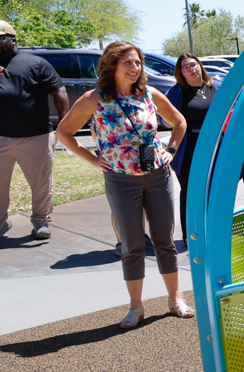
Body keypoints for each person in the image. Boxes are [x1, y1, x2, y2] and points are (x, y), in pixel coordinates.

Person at [55, 42, 192, 329]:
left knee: (165, 241)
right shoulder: (95, 99)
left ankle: (175, 299)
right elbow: (64, 132)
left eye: (138, 63)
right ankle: (136, 308)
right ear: (112, 66)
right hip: (120, 180)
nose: (134, 68)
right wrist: (92, 160)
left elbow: (179, 122)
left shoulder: (150, 95)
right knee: (132, 245)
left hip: (158, 175)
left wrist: (171, 149)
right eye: (128, 62)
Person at [0, 20, 69, 243]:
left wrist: (64, 126)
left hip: (36, 136)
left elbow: (59, 91)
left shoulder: (36, 62)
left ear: (13, 39)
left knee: (41, 182)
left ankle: (40, 221)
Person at [165, 53, 218, 241]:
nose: (191, 69)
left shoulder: (215, 87)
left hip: (215, 147)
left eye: (193, 65)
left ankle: (212, 234)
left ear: (200, 66)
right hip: (189, 149)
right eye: (185, 67)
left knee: (214, 191)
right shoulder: (177, 92)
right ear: (181, 73)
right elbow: (167, 118)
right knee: (190, 192)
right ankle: (191, 236)